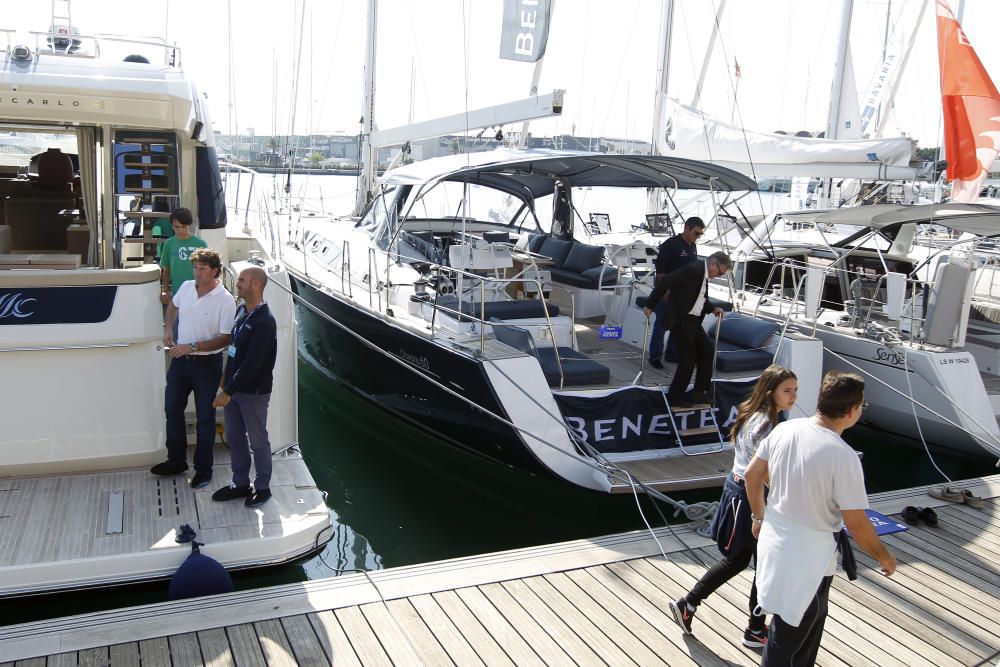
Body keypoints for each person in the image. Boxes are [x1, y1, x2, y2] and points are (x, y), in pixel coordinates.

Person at [744, 371, 896, 667]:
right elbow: (856, 523)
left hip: (778, 542)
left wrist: (758, 516)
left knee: (808, 626)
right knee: (788, 634)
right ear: (852, 411)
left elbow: (752, 477)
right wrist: (883, 555)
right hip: (809, 557)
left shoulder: (785, 430)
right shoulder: (843, 456)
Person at [669, 365, 798, 649]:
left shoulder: (755, 414)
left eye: (795, 390)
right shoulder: (769, 425)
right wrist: (760, 514)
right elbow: (762, 474)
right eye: (787, 390)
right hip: (751, 496)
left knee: (746, 561)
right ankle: (747, 627)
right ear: (770, 391)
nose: (793, 396)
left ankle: (703, 609)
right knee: (753, 563)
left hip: (738, 490)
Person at [151, 248, 237, 489]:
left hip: (207, 365)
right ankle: (176, 461)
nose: (197, 273)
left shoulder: (225, 300)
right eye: (195, 268)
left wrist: (193, 346)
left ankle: (204, 470)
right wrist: (168, 329)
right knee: (172, 411)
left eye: (202, 269)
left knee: (205, 420)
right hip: (180, 361)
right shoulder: (187, 287)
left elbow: (226, 338)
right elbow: (173, 306)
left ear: (215, 271)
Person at [211, 266, 278, 508]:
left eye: (242, 280)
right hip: (234, 388)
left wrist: (228, 390)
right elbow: (234, 347)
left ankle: (263, 487)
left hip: (254, 392)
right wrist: (225, 376)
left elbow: (253, 363)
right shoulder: (241, 310)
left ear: (256, 285)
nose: (237, 284)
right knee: (236, 437)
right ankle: (240, 484)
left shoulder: (265, 322)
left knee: (258, 440)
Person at [643, 251, 730, 407]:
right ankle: (675, 397)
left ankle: (699, 393)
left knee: (707, 351)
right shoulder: (694, 269)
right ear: (712, 264)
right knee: (689, 357)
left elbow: (700, 297)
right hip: (680, 319)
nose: (719, 276)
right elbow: (665, 281)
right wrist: (651, 304)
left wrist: (712, 309)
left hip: (692, 320)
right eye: (720, 272)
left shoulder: (703, 274)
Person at [648, 216, 705, 368]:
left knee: (678, 325)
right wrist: (665, 292)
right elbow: (660, 272)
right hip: (667, 293)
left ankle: (671, 354)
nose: (698, 237)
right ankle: (655, 357)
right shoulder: (670, 245)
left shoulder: (692, 246)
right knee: (661, 324)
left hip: (684, 295)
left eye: (701, 234)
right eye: (696, 233)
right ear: (686, 228)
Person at [159, 208, 207, 306]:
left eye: (183, 227)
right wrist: (164, 290)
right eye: (177, 227)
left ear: (189, 225)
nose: (180, 230)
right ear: (172, 225)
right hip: (177, 294)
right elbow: (166, 270)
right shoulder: (169, 244)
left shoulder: (201, 244)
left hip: (198, 295)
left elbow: (208, 271)